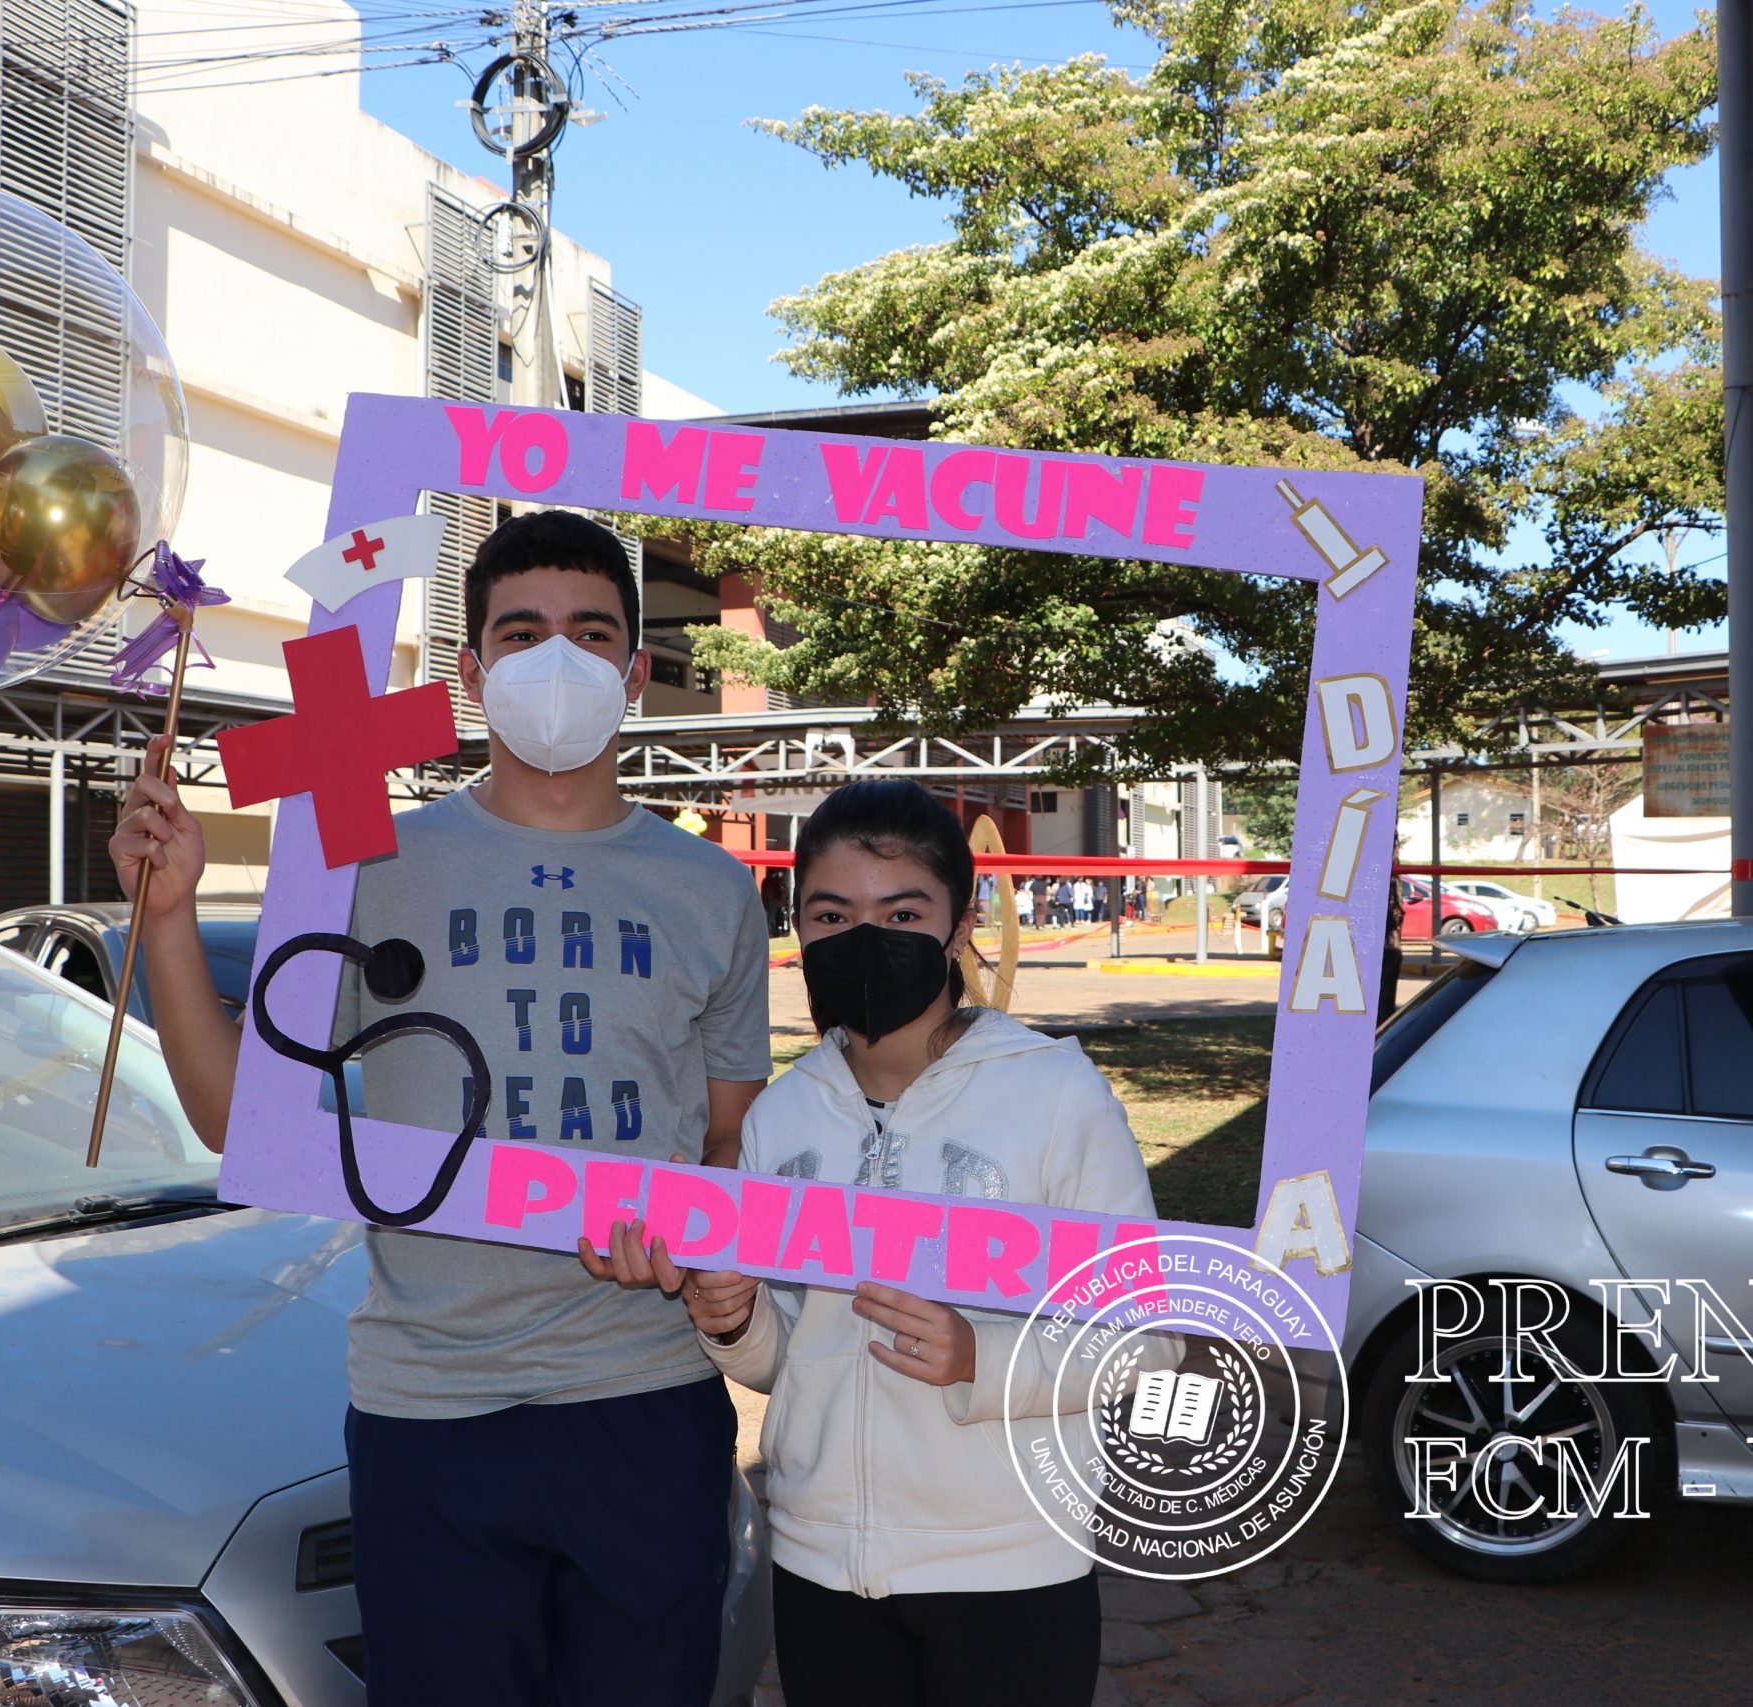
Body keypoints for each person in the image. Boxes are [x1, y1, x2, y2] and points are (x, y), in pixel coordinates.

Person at [109, 510, 771, 1706]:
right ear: (466, 674)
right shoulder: (363, 858)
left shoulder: (715, 891)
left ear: (634, 671)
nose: (554, 662)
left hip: (644, 1400)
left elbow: (726, 1146)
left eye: (588, 634)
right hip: (429, 1407)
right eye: (520, 635)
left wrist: (706, 1242)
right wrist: (165, 916)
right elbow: (235, 1120)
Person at [624, 779, 1162, 1707]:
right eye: (832, 912)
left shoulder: (1058, 1096)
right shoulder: (780, 1115)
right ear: (796, 927)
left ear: (958, 929)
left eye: (902, 910)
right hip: (820, 1563)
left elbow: (1146, 1338)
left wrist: (978, 1359)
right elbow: (783, 1358)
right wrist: (736, 1318)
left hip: (1010, 1566)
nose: (864, 937)